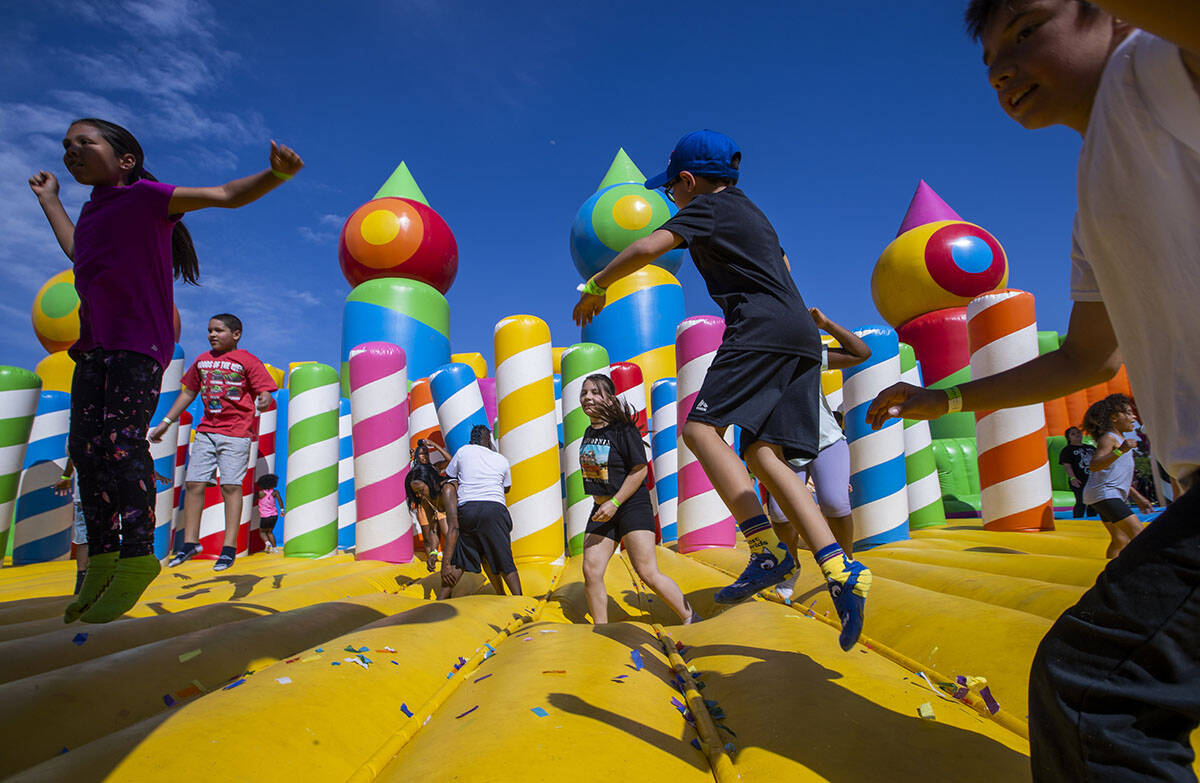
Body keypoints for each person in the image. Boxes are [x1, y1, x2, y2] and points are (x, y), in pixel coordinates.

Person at [866, 2, 1200, 777]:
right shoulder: (1094, 197)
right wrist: (940, 400)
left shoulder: (1157, 67)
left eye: (1026, 30)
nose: (1002, 69)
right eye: (989, 60)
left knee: (1094, 688)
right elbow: (1085, 357)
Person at [573, 130, 869, 650]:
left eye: (671, 191)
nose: (671, 199)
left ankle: (763, 550)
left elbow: (646, 245)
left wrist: (597, 284)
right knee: (761, 452)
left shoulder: (709, 206)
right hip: (799, 335)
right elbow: (785, 266)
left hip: (761, 328)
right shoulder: (753, 213)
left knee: (699, 429)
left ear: (688, 181)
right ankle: (839, 566)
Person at [29, 118, 302, 624]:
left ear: (125, 159)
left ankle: (137, 553)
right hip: (92, 347)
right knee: (84, 450)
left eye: (85, 142)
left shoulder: (149, 198)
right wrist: (51, 201)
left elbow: (224, 193)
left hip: (137, 343)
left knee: (119, 442)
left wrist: (274, 175)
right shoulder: (90, 212)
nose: (71, 150)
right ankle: (105, 554)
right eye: (66, 145)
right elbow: (77, 252)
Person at [151, 314, 277, 572]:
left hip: (236, 433)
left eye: (219, 330)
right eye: (209, 330)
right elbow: (188, 392)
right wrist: (166, 421)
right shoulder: (202, 361)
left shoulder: (246, 360)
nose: (212, 335)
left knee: (230, 486)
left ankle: (229, 547)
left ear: (236, 334)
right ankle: (190, 543)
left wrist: (263, 398)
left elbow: (263, 388)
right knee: (194, 483)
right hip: (207, 430)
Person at [763, 308, 871, 600]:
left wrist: (826, 324)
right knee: (778, 512)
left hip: (826, 440)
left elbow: (861, 353)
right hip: (785, 445)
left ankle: (844, 564)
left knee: (835, 502)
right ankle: (792, 566)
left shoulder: (807, 354)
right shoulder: (756, 365)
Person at [577, 374, 698, 624]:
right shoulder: (589, 431)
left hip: (630, 504)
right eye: (584, 392)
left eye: (595, 392)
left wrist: (616, 503)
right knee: (591, 569)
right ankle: (601, 629)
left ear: (609, 398)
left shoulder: (623, 430)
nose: (587, 397)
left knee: (646, 571)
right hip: (602, 508)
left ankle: (689, 617)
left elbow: (639, 470)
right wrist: (605, 504)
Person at [439, 426, 521, 599]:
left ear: (472, 440)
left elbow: (450, 475)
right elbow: (507, 487)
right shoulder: (501, 459)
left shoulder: (463, 451)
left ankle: (441, 599)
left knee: (461, 557)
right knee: (505, 560)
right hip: (494, 511)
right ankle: (520, 600)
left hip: (468, 509)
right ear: (489, 441)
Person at [1080, 395, 1152, 558]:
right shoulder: (1109, 438)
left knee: (1120, 540)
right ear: (1114, 418)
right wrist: (1120, 450)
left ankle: (1108, 571)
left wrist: (1138, 497)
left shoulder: (1120, 439)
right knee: (1140, 535)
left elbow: (1117, 475)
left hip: (1105, 494)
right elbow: (1095, 464)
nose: (1133, 417)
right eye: (1128, 413)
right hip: (1105, 494)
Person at [406, 439, 451, 571]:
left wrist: (435, 445)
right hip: (424, 507)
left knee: (446, 532)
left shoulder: (434, 468)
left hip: (438, 505)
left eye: (426, 453)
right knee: (427, 537)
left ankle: (448, 559)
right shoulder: (414, 472)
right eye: (421, 454)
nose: (425, 456)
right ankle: (431, 560)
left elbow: (449, 460)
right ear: (416, 456)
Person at [53, 457, 88, 595]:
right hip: (107, 492)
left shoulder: (76, 435)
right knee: (105, 538)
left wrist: (65, 476)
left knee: (83, 541)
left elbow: (73, 455)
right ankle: (98, 580)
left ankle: (81, 582)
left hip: (84, 495)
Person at [1058, 427, 1096, 518]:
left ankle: (1093, 520)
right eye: (1073, 434)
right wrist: (1073, 478)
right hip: (1079, 480)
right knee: (1081, 501)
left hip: (1092, 479)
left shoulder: (1090, 448)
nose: (1077, 435)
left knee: (1094, 502)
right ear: (1069, 438)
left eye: (1078, 432)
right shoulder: (1067, 450)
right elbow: (1067, 465)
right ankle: (1078, 519)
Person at [253, 474, 283, 553]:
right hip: (274, 515)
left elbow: (252, 501)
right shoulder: (275, 492)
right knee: (270, 532)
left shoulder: (260, 493)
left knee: (262, 532)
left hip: (265, 516)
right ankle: (275, 548)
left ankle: (267, 543)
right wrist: (282, 510)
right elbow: (280, 501)